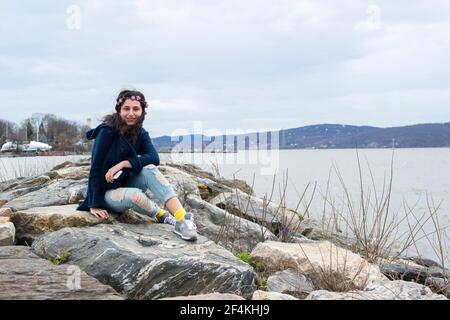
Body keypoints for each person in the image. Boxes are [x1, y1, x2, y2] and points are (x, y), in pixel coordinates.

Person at [77, 89, 197, 241]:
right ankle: (163, 215)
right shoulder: (106, 132)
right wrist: (94, 204)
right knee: (135, 195)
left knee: (150, 169)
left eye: (136, 109)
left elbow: (154, 158)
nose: (131, 113)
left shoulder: (140, 132)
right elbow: (94, 169)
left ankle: (182, 219)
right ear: (119, 110)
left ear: (142, 111)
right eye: (126, 108)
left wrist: (123, 164)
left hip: (126, 181)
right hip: (106, 193)